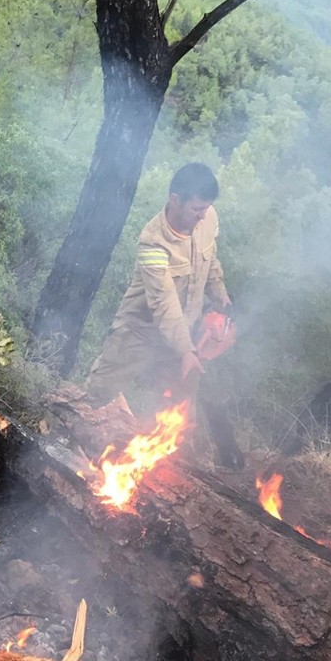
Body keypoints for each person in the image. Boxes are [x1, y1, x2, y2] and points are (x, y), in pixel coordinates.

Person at [85, 162, 243, 465]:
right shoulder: (152, 242)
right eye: (197, 208)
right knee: (99, 393)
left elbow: (210, 258)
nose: (202, 216)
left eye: (207, 209)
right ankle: (71, 447)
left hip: (184, 330)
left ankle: (174, 474)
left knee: (180, 413)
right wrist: (186, 350)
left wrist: (219, 291)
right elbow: (164, 303)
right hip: (139, 331)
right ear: (175, 199)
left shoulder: (207, 218)